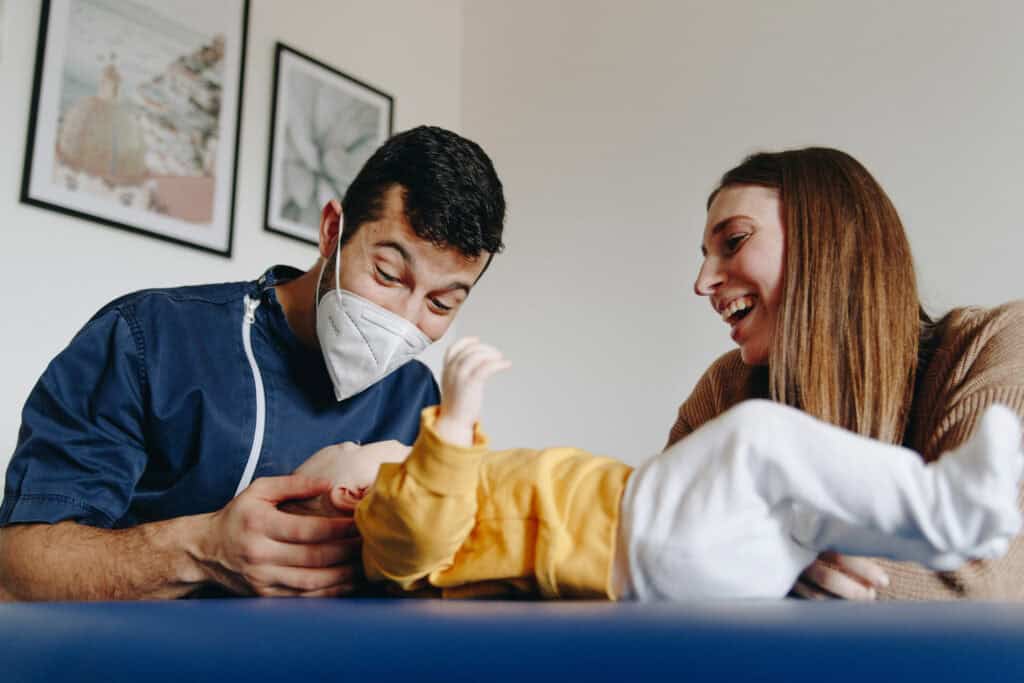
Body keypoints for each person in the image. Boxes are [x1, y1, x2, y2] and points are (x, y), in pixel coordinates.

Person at [0, 125, 506, 601]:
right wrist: (200, 548)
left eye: (441, 304)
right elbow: (18, 569)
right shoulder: (150, 338)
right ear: (332, 232)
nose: (404, 317)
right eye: (388, 273)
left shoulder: (416, 398)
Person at [311, 337, 1022, 601]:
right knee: (757, 435)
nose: (394, 441)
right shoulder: (391, 514)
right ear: (351, 490)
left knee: (809, 517)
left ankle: (943, 530)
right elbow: (415, 531)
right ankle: (947, 507)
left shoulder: (450, 487)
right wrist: (456, 415)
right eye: (363, 447)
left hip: (674, 557)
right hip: (639, 539)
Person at [680, 147, 1024, 600]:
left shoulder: (994, 345)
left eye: (735, 241)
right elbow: (661, 551)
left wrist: (783, 560)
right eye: (706, 255)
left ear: (827, 239)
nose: (703, 282)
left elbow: (983, 585)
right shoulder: (725, 392)